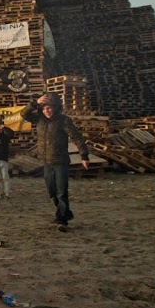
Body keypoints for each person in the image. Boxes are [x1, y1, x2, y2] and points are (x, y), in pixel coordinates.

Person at [22, 93, 89, 231]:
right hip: (46, 162)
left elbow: (77, 137)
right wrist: (35, 103)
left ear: (56, 108)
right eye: (45, 108)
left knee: (61, 192)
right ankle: (66, 213)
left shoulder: (64, 120)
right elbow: (24, 114)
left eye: (50, 108)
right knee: (52, 193)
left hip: (60, 161)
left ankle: (62, 220)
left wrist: (84, 155)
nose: (48, 111)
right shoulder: (39, 119)